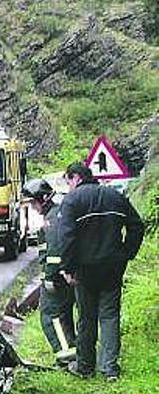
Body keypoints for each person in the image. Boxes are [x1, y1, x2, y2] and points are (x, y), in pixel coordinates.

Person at [57, 163, 144, 381]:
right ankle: (109, 369)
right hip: (113, 267)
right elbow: (136, 226)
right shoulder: (114, 196)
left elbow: (66, 238)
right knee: (110, 315)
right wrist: (126, 252)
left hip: (84, 269)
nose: (68, 187)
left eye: (68, 181)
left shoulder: (72, 201)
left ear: (76, 178)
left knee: (86, 318)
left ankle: (85, 366)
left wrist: (66, 267)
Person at [22, 178, 76, 365]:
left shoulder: (52, 220)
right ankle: (73, 350)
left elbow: (54, 252)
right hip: (66, 274)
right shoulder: (55, 214)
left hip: (57, 277)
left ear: (43, 198)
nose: (33, 207)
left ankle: (66, 355)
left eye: (33, 202)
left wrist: (50, 277)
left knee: (50, 315)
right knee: (64, 314)